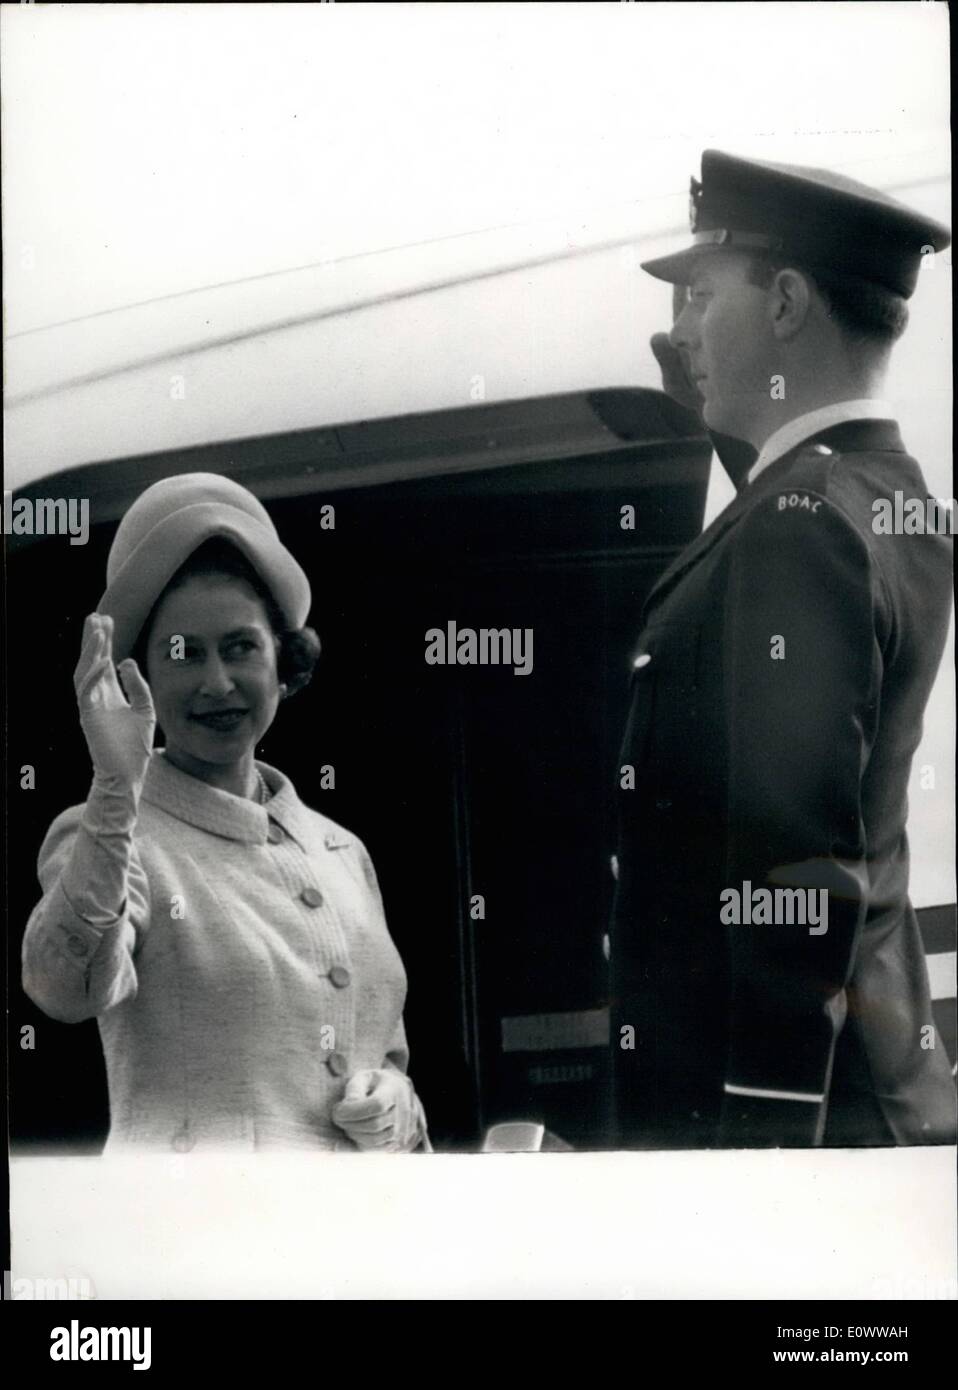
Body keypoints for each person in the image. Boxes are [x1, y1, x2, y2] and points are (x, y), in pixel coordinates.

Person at [610, 149, 956, 1147]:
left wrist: (762, 1158)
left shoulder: (797, 526)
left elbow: (794, 877)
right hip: (862, 1090)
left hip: (784, 1123)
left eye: (699, 295)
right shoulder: (884, 497)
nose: (679, 330)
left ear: (788, 302)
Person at [22, 473, 431, 1154]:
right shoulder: (111, 831)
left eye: (241, 647)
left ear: (282, 661)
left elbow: (382, 1050)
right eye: (183, 653)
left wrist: (395, 1102)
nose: (217, 683)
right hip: (194, 1238)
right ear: (138, 675)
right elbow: (64, 987)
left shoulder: (341, 851)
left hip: (352, 1236)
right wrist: (115, 787)